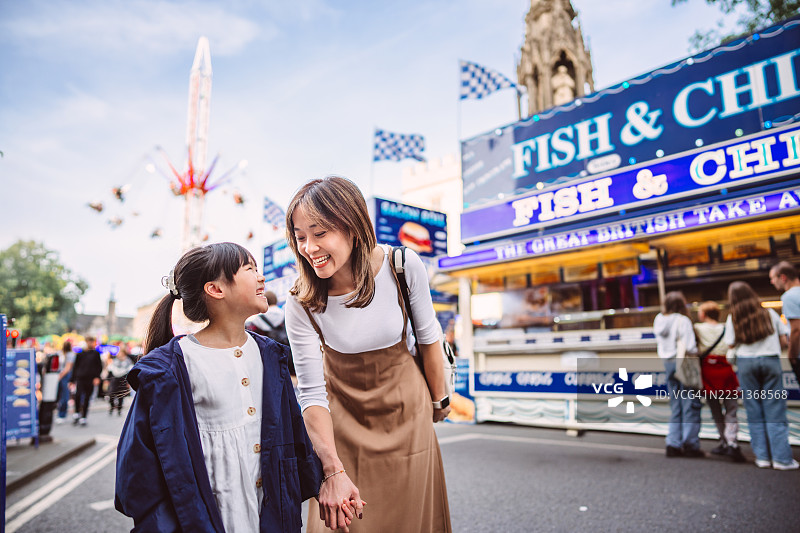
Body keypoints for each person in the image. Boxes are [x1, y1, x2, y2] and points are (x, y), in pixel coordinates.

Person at [115, 242, 324, 532]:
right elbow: (139, 471)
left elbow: (295, 441)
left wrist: (326, 482)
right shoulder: (169, 370)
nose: (261, 277)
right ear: (216, 289)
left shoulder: (271, 356)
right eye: (250, 269)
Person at [285, 176, 452, 532]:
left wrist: (440, 401)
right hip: (340, 423)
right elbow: (312, 394)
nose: (309, 247)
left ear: (353, 226)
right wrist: (331, 467)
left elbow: (428, 338)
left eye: (319, 233)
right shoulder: (300, 300)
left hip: (408, 415)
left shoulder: (403, 265)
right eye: (300, 237)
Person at [724, 281, 798, 470]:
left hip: (746, 363)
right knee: (775, 410)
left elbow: (730, 344)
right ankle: (782, 459)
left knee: (754, 411)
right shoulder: (769, 313)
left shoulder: (733, 317)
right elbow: (784, 339)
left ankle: (762, 457)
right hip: (770, 361)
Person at [654, 291, 703, 458]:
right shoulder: (683, 320)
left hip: (668, 363)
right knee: (690, 403)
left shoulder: (658, 320)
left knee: (676, 404)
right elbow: (690, 347)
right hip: (684, 363)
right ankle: (690, 444)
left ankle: (673, 443)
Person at [694, 301, 744, 462]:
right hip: (726, 370)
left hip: (708, 372)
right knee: (731, 408)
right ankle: (732, 441)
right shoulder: (725, 327)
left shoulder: (698, 328)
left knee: (715, 409)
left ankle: (723, 440)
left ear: (703, 314)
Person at [769, 260, 800, 384]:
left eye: (772, 278)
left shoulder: (788, 297)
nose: (772, 282)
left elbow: (797, 329)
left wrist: (792, 355)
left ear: (783, 277)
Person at [69, 336, 103, 426]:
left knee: (87, 397)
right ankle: (76, 413)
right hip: (80, 378)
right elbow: (75, 367)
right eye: (89, 341)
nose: (90, 343)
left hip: (90, 379)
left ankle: (84, 416)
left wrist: (97, 377)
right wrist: (72, 379)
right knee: (78, 395)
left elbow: (99, 366)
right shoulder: (80, 354)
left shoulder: (96, 354)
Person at [106, 347, 134, 416]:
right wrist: (107, 379)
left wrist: (129, 382)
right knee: (111, 394)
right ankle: (112, 406)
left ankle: (119, 409)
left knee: (121, 396)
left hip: (123, 379)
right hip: (114, 379)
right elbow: (110, 371)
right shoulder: (114, 361)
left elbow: (130, 372)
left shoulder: (128, 362)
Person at [55, 341, 75, 423]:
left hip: (64, 376)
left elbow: (68, 368)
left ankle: (62, 414)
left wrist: (60, 376)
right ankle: (60, 413)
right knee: (60, 395)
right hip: (60, 375)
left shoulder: (70, 355)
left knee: (64, 395)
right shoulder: (61, 353)